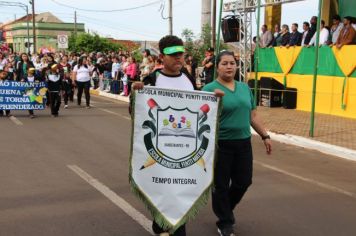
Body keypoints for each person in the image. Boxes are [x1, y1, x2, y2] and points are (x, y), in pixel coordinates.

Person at [132, 35, 222, 236]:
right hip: (159, 150)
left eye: (181, 54)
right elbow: (138, 113)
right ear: (162, 57)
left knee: (178, 193)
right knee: (164, 192)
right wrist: (135, 93)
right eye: (173, 55)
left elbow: (198, 108)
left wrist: (214, 100)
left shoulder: (188, 79)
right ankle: (164, 223)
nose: (178, 58)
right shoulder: (152, 79)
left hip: (186, 150)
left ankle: (167, 224)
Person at [202, 50, 272, 236]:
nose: (229, 66)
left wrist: (265, 136)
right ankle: (224, 222)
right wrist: (211, 101)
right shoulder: (209, 89)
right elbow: (200, 117)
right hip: (220, 144)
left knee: (243, 182)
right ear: (217, 67)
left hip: (243, 143)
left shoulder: (244, 88)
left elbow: (252, 116)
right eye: (224, 63)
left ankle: (226, 210)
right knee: (221, 185)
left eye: (232, 63)